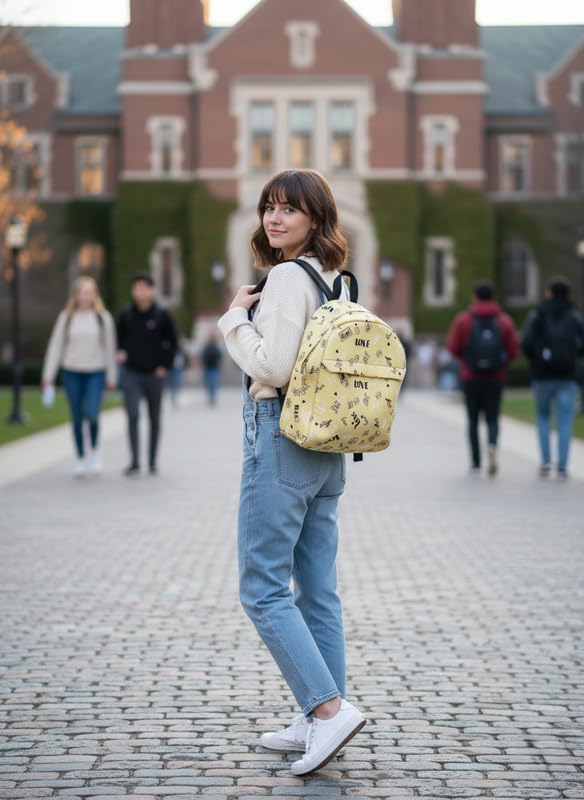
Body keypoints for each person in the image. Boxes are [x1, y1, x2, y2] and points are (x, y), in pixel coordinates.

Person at [217, 169, 366, 777]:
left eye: (289, 210)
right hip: (326, 447)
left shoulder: (283, 276)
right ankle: (316, 718)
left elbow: (273, 366)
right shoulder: (335, 278)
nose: (274, 219)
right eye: (268, 208)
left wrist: (232, 320)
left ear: (315, 217)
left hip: (280, 436)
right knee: (318, 591)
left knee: (263, 589)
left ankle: (328, 712)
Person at [42, 276, 117, 477]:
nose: (86, 296)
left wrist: (112, 377)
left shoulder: (103, 318)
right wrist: (48, 375)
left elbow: (110, 348)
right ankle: (81, 457)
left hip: (96, 371)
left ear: (95, 295)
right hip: (72, 371)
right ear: (76, 295)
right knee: (76, 416)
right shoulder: (66, 317)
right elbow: (56, 346)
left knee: (92, 414)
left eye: (89, 292)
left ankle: (94, 451)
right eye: (82, 292)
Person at [447, 281, 518, 476]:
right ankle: (492, 446)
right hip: (495, 377)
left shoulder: (463, 320)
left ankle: (476, 462)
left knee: (472, 420)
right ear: (493, 297)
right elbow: (512, 349)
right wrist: (501, 365)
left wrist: (465, 359)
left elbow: (453, 347)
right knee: (493, 418)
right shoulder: (504, 321)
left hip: (470, 376)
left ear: (475, 297)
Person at [521, 277, 584, 479]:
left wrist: (537, 361)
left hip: (542, 376)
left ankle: (546, 461)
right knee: (565, 420)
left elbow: (526, 343)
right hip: (566, 375)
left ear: (549, 292)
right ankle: (563, 465)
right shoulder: (574, 316)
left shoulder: (538, 314)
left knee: (542, 417)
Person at [117, 273, 178, 476]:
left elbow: (173, 342)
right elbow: (119, 340)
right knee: (132, 415)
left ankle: (152, 461)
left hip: (154, 374)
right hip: (132, 373)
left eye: (144, 288)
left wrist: (164, 366)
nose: (140, 292)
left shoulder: (161, 315)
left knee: (154, 418)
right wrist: (121, 353)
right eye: (137, 288)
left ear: (152, 291)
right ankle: (134, 460)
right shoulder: (126, 315)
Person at [200, 332, 223, 406]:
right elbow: (202, 356)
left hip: (214, 368)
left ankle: (213, 397)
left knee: (214, 383)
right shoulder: (206, 347)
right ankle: (210, 397)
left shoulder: (216, 347)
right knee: (209, 383)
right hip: (208, 368)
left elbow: (220, 356)